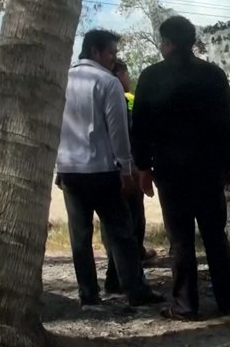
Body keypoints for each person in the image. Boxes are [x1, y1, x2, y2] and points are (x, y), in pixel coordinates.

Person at [132, 16, 230, 320]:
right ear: (192, 42)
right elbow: (225, 125)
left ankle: (185, 305)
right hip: (209, 170)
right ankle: (228, 300)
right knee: (215, 237)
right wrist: (227, 165)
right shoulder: (214, 75)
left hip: (170, 170)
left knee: (180, 240)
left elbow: (140, 126)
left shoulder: (152, 76)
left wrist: (143, 167)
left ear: (167, 43)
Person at [56, 29, 163, 310]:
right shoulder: (107, 82)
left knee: (80, 236)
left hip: (70, 169)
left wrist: (59, 164)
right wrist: (126, 169)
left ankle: (88, 294)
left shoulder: (62, 79)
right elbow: (118, 132)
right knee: (122, 233)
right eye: (112, 53)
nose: (115, 59)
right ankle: (134, 289)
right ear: (95, 51)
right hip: (101, 169)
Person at [102, 60, 158, 295]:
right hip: (128, 169)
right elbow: (138, 133)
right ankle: (128, 279)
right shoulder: (127, 99)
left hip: (103, 169)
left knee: (113, 226)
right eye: (125, 73)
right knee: (132, 224)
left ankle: (115, 276)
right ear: (120, 75)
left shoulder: (99, 96)